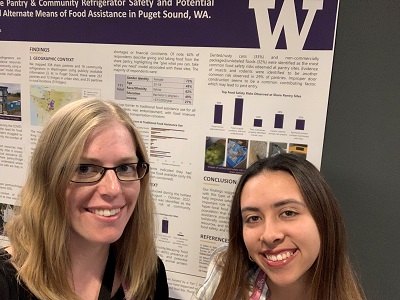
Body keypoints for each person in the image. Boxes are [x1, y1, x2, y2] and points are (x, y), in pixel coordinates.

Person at [0, 98, 169, 299]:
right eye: (84, 169)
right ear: (48, 177)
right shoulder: (6, 285)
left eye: (125, 168)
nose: (113, 189)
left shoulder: (146, 274)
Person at [195, 153, 365, 300]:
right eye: (253, 218)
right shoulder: (225, 269)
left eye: (288, 213)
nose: (269, 235)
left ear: (323, 220)